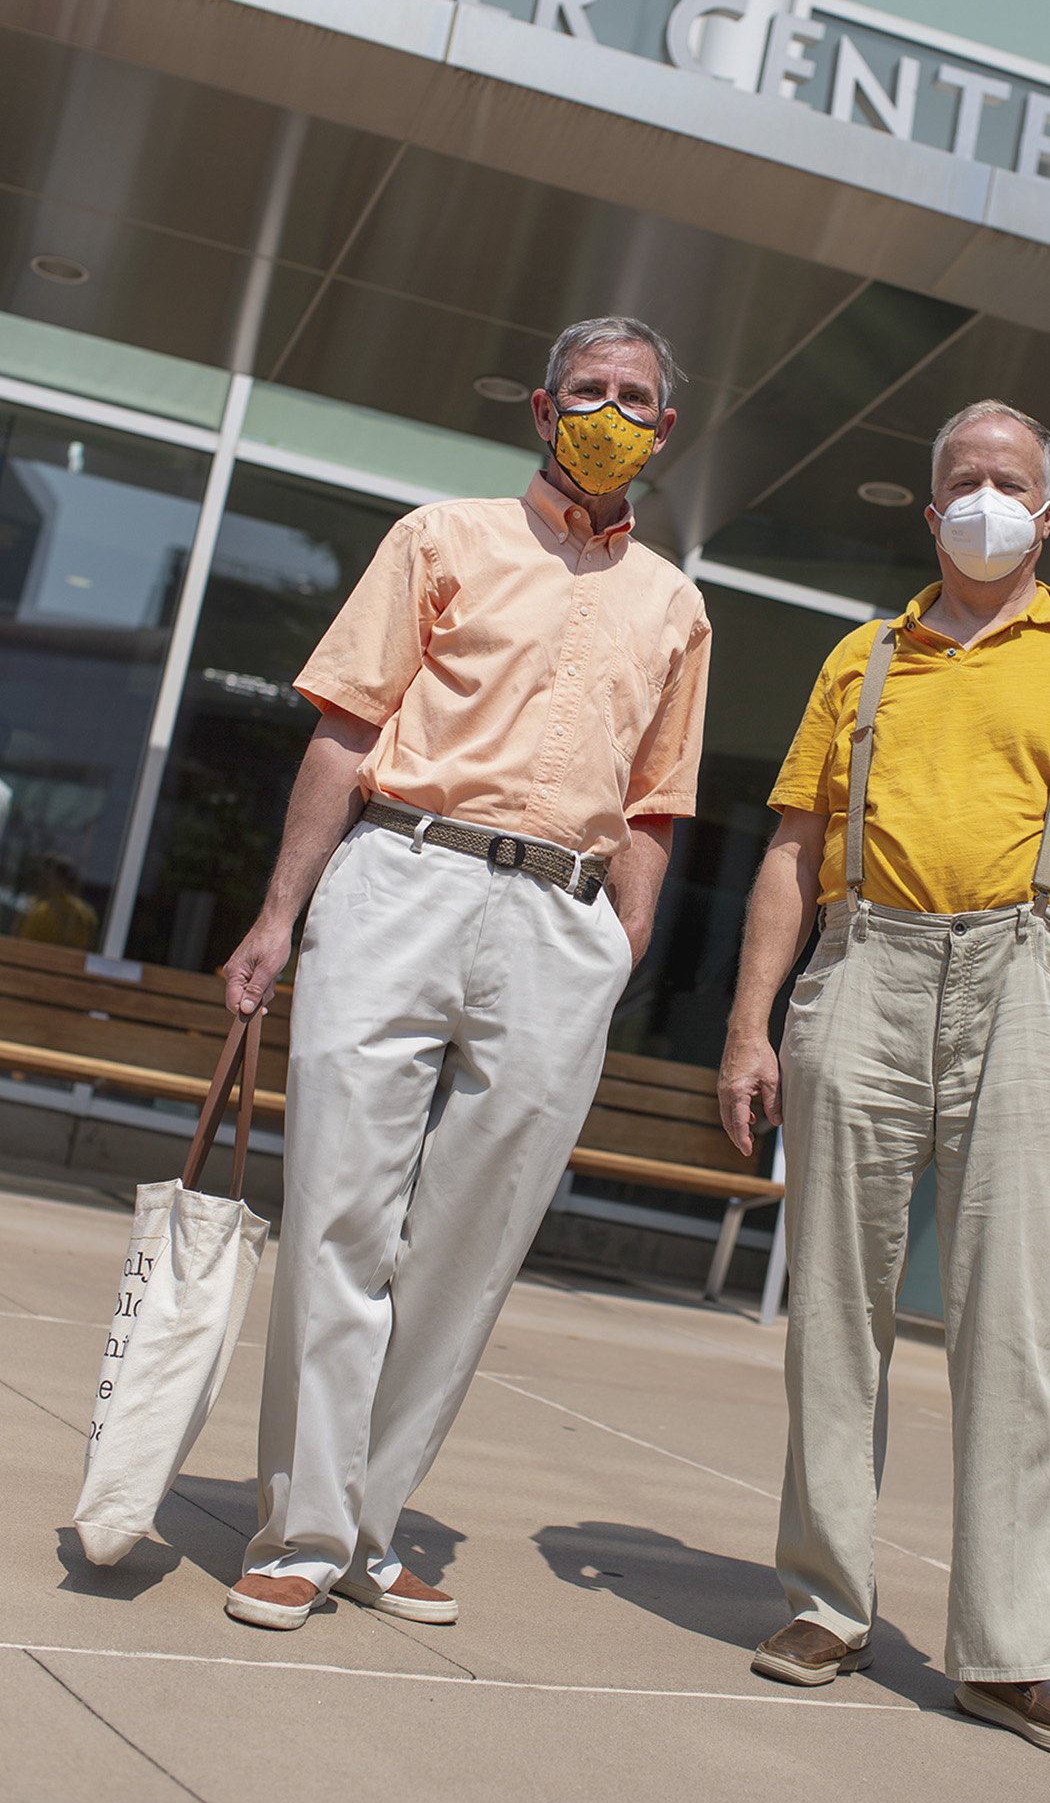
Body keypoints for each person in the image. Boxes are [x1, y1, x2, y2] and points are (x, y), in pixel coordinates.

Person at [221, 316, 710, 1632]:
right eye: (590, 389)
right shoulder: (438, 540)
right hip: (402, 876)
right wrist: (282, 912)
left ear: (665, 432)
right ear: (544, 410)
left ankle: (375, 1525)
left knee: (471, 1244)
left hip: (562, 917)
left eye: (637, 397)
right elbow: (342, 732)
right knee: (338, 1213)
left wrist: (623, 943)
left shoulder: (675, 603)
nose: (611, 409)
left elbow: (659, 804)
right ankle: (302, 1530)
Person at [718, 400, 1050, 1762]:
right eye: (962, 481)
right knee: (836, 1312)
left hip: (1030, 971)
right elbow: (789, 860)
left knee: (1019, 1324)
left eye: (1010, 481)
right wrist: (751, 1028)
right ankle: (823, 1604)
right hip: (863, 969)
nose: (985, 497)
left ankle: (1009, 1652)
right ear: (930, 515)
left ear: (1048, 514)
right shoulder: (860, 660)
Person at [19, 852, 98, 949]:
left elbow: (21, 946)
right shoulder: (86, 911)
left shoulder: (41, 911)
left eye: (45, 876)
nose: (40, 880)